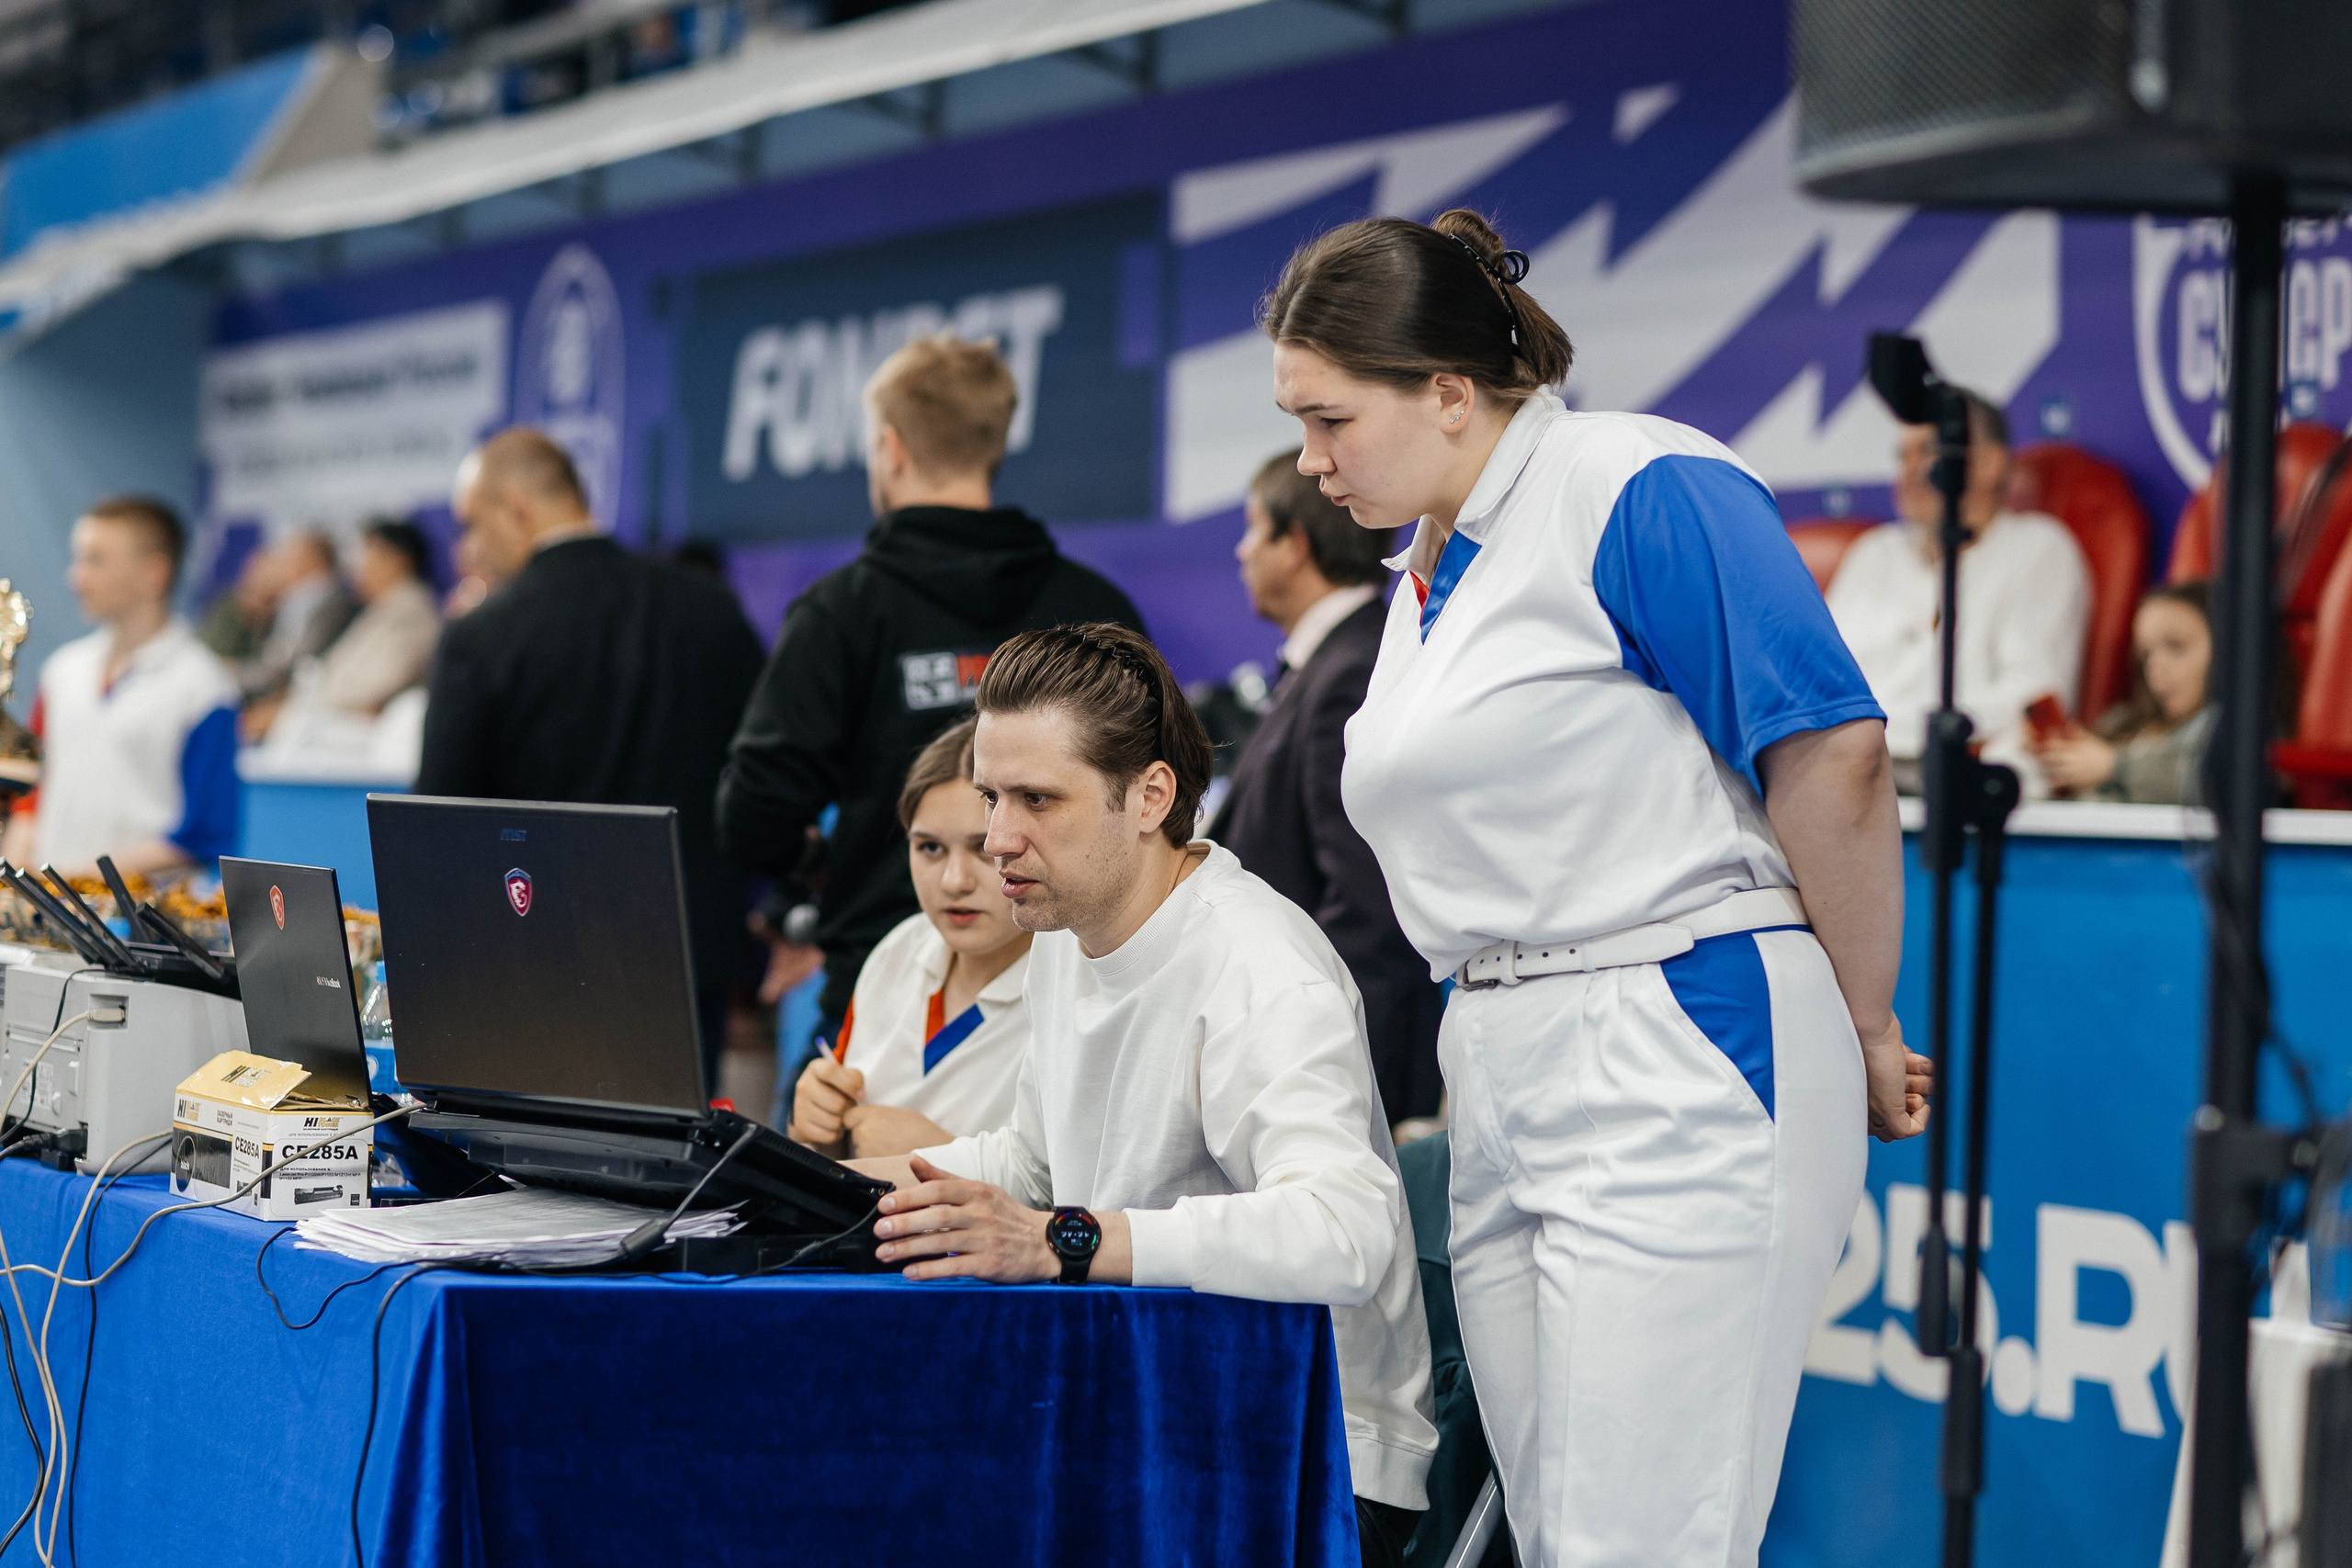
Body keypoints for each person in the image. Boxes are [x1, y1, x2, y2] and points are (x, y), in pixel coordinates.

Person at [1260, 209, 1932, 1566]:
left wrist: (1865, 1019)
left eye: (1329, 420)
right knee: (1563, 1534)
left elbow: (1835, 747)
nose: (1309, 462)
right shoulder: (1430, 569)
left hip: (1682, 1028)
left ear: (1448, 392)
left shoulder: (1635, 479)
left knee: (1645, 1543)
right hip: (1504, 1053)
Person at [846, 624, 1437, 1568]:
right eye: (995, 796)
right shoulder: (1065, 931)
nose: (998, 839)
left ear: (1150, 796)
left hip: (1310, 1461)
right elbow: (1029, 1164)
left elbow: (1345, 1230)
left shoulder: (1258, 970)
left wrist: (1063, 1239)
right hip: (1150, 1401)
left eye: (1037, 799)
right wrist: (804, 1182)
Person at [718, 334, 1144, 1047]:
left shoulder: (842, 612)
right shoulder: (1095, 606)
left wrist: (821, 869)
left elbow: (752, 813)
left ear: (890, 448)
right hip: (1068, 1002)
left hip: (888, 994)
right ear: (994, 444)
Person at [418, 429, 766, 1089]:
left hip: (536, 960)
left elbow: (438, 820)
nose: (469, 547)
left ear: (516, 510)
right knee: (678, 1176)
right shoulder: (710, 609)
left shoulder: (483, 635)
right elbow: (764, 770)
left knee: (547, 1177)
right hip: (687, 957)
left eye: (472, 524)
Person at [1208, 450, 1442, 1125]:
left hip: (1337, 1070)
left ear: (1296, 545)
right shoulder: (1332, 663)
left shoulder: (1353, 668)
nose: (1240, 549)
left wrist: (1320, 1065)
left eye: (1254, 528)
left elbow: (1369, 906)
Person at [1826, 391, 2091, 798]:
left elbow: (2031, 701)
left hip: (1951, 778)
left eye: (1929, 451)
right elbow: (1823, 682)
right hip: (1843, 776)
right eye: (1902, 456)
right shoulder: (1872, 553)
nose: (1910, 471)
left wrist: (1878, 733)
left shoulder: (2039, 549)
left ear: (1990, 463)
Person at [788, 716, 1031, 1158]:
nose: (954, 882)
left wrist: (938, 1157)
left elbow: (1088, 1208)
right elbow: (830, 1150)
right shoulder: (899, 949)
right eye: (930, 848)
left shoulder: (1077, 985)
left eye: (984, 848)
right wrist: (817, 1128)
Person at [0, 496, 237, 877]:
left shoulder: (203, 687)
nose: (76, 577)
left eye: (95, 560)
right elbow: (31, 795)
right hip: (52, 912)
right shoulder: (62, 672)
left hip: (147, 925)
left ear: (153, 573)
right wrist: (13, 880)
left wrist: (74, 881)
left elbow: (201, 836)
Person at [2032, 581, 2216, 805]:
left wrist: (2114, 767)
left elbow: (2211, 781)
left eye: (2176, 647)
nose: (2156, 667)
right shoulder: (2119, 722)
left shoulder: (2224, 729)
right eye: (2146, 653)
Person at [311, 520, 442, 716]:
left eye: (364, 554)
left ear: (397, 559)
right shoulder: (381, 608)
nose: (355, 566)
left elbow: (369, 692)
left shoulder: (412, 615)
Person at [236, 530, 356, 704]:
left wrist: (238, 675)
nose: (284, 564)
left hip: (284, 701)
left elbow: (293, 662)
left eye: (291, 556)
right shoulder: (295, 599)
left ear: (312, 559)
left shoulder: (333, 602)